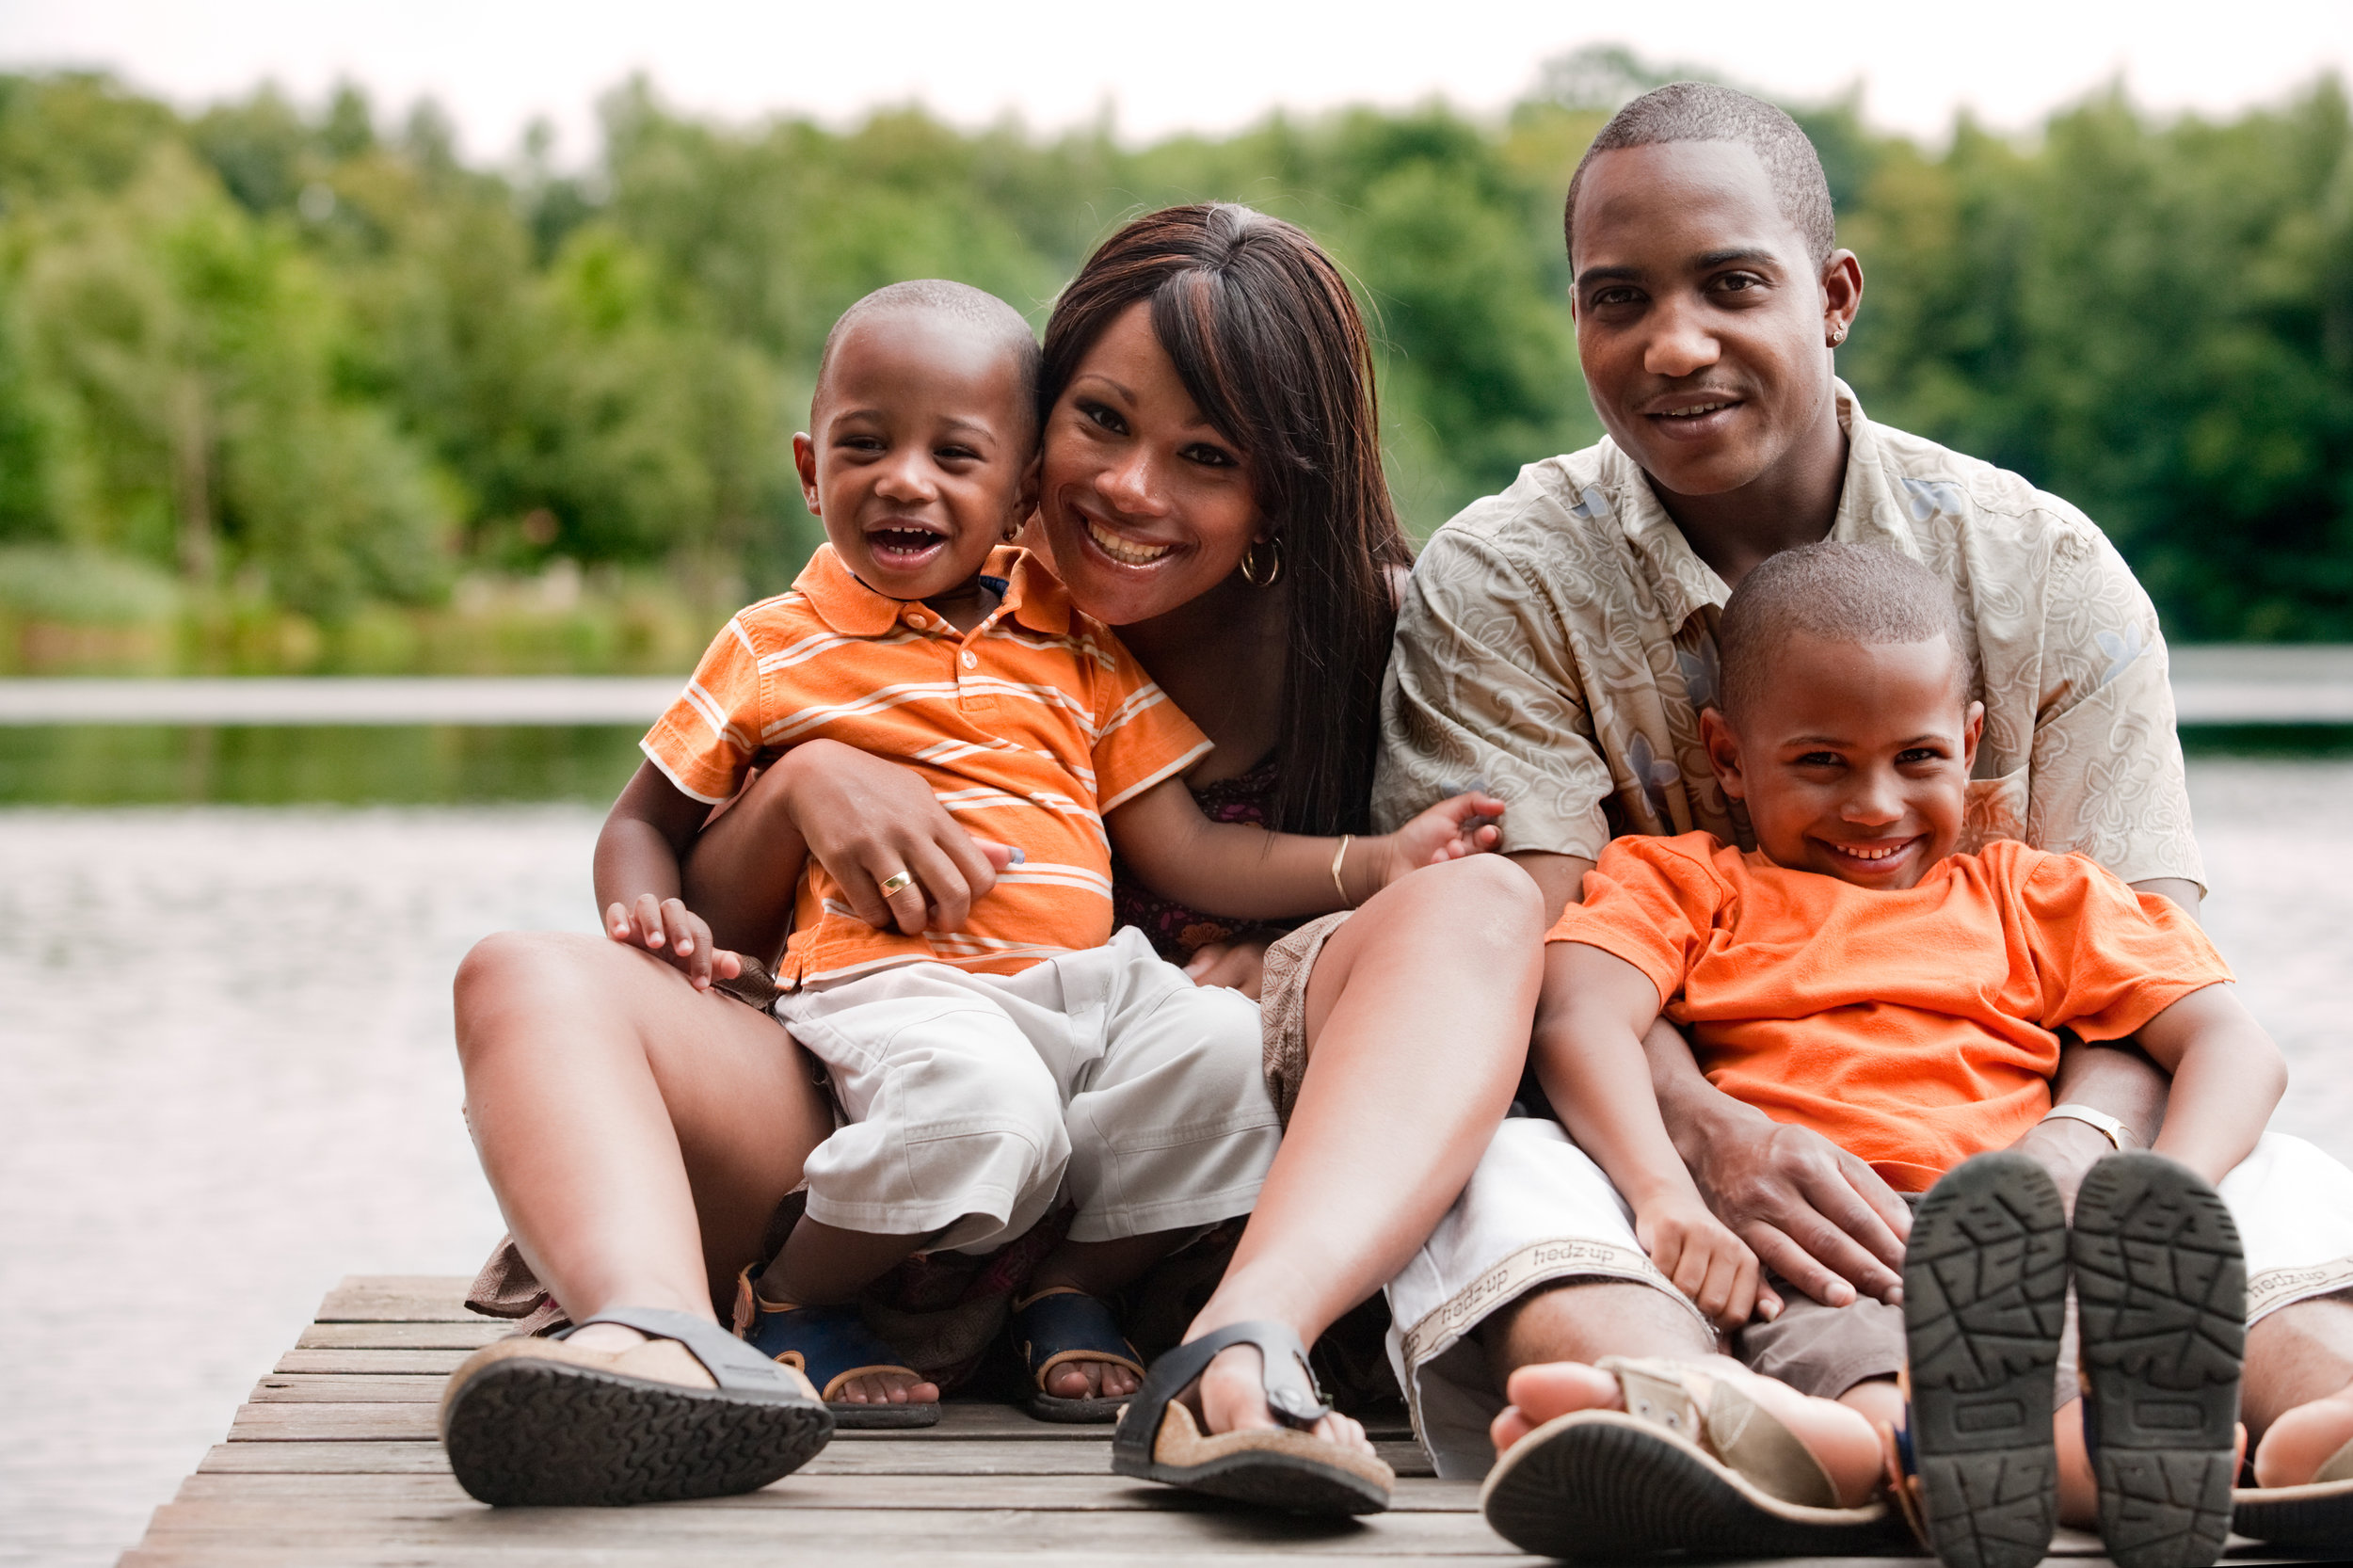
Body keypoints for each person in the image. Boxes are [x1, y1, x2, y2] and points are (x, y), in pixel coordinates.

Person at [1371, 79, 2353, 1555]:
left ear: (1833, 297)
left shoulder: (2046, 575)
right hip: (1678, 1134)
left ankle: (2309, 1419)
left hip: (2025, 1140)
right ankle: (1695, 1417)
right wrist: (1702, 1142)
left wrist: (2074, 1168)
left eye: (1732, 285)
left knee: (2265, 1173)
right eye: (1616, 299)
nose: (1673, 343)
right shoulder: (1503, 580)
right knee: (1491, 1152)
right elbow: (1533, 968)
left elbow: (2168, 989)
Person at [445, 207, 1548, 1512]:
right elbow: (701, 903)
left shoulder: (1385, 640)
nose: (1131, 487)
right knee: (521, 971)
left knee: (1477, 898)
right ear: (1035, 434)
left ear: (1280, 485)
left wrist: (1323, 922)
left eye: (1204, 454)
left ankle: (1241, 1351)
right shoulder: (883, 603)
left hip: (1159, 1161)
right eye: (1100, 421)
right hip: (875, 1117)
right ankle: (657, 1336)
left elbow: (1354, 893)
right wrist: (800, 791)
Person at [1480, 540, 2285, 1568]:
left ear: (1970, 739)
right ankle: (1895, 1445)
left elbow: (2231, 1041)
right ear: (1726, 756)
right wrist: (1662, 1192)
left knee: (2080, 1390)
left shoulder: (2033, 895)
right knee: (1865, 1370)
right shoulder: (1685, 882)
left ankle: (2167, 1455)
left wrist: (2159, 1191)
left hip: (2024, 1237)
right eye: (1819, 761)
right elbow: (1576, 1015)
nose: (1873, 805)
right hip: (1824, 1240)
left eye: (1917, 757)